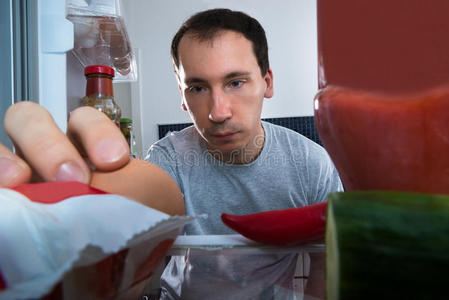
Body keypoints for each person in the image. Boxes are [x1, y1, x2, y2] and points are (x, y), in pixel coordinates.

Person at [1, 8, 342, 299]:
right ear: (182, 95)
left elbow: (324, 270)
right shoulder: (169, 158)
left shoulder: (311, 164)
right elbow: (142, 202)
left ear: (267, 82)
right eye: (197, 88)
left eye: (235, 82)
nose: (218, 111)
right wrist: (70, 210)